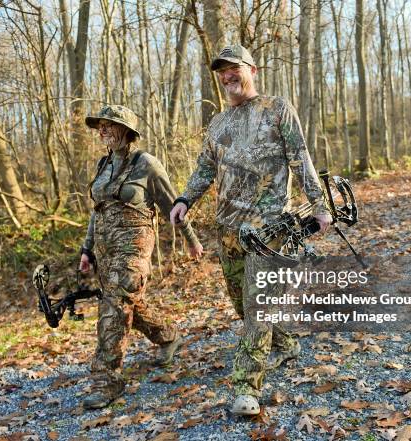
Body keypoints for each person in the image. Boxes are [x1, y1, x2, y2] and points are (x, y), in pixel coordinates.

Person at [170, 45, 332, 416]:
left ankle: (246, 388)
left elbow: (300, 159)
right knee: (242, 303)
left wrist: (319, 206)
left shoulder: (277, 109)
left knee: (257, 305)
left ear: (252, 70)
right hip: (226, 229)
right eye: (222, 70)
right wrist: (184, 199)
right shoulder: (218, 124)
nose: (228, 75)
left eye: (234, 68)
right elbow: (205, 170)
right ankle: (285, 343)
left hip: (269, 229)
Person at [79, 104, 203, 409]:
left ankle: (107, 380)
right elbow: (97, 212)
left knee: (115, 305)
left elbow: (173, 205)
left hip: (135, 248)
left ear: (126, 130)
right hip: (106, 252)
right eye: (100, 126)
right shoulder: (101, 165)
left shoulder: (146, 163)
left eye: (109, 125)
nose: (102, 130)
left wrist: (192, 240)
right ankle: (168, 336)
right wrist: (86, 248)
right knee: (127, 303)